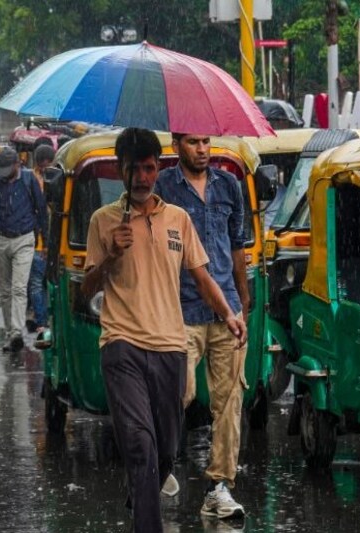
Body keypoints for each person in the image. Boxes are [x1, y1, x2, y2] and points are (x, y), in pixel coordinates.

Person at [82, 128, 246, 533]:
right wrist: (110, 255)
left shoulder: (178, 218)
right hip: (122, 345)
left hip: (170, 345)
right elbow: (83, 292)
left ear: (158, 169)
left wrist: (229, 313)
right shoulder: (103, 221)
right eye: (133, 169)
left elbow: (203, 276)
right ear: (120, 170)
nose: (142, 177)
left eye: (148, 169)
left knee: (168, 448)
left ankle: (142, 489)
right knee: (141, 443)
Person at [153, 132, 249, 519]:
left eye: (207, 141)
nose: (203, 149)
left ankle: (218, 487)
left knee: (229, 403)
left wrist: (243, 303)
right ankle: (157, 463)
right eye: (193, 142)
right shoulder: (163, 187)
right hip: (181, 308)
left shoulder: (229, 185)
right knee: (181, 391)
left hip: (226, 310)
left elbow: (238, 245)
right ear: (177, 145)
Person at [0, 146, 46, 352]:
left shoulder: (29, 180)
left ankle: (16, 332)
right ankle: (10, 333)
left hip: (24, 238)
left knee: (19, 288)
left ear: (17, 165)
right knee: (5, 291)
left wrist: (46, 241)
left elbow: (41, 210)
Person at [25, 143, 55, 333]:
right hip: (41, 242)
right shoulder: (54, 179)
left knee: (39, 284)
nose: (45, 170)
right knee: (42, 283)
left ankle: (43, 321)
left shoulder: (29, 178)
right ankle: (45, 320)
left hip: (42, 241)